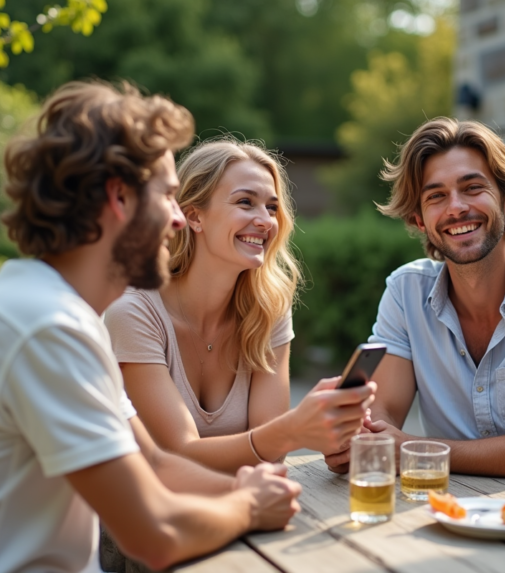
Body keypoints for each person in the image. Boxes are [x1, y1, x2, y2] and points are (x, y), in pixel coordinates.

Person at [0, 82, 301, 573]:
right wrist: (246, 506)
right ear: (119, 198)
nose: (179, 220)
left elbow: (154, 465)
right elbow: (154, 536)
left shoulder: (60, 312)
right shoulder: (43, 326)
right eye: (168, 197)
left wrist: (254, 491)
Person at [326, 117, 505, 494]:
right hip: (447, 514)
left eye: (472, 188)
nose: (456, 208)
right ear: (419, 220)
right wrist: (359, 438)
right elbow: (384, 413)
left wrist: (410, 449)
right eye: (436, 196)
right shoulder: (405, 290)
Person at [103, 139, 375, 473]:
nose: (265, 221)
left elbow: (272, 454)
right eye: (246, 202)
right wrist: (295, 430)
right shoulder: (134, 312)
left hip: (244, 504)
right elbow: (176, 455)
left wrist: (322, 429)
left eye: (272, 208)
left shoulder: (268, 308)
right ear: (194, 217)